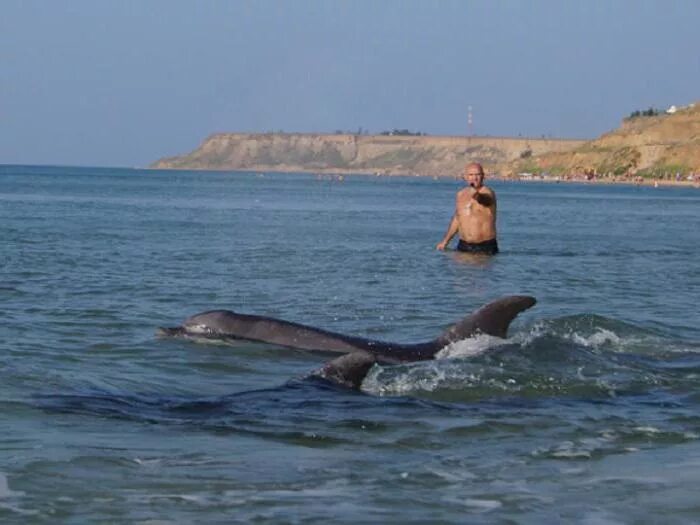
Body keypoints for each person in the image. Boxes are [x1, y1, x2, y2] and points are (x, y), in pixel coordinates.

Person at [436, 162, 498, 254]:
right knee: (458, 268)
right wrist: (445, 241)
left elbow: (487, 200)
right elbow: (457, 219)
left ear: (483, 176)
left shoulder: (488, 192)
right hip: (463, 245)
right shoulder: (460, 194)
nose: (474, 178)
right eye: (471, 175)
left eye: (478, 174)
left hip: (485, 247)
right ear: (466, 177)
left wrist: (478, 196)